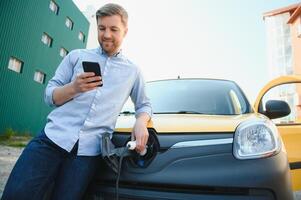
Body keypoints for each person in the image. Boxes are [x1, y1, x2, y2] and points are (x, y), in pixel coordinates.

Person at [1, 3, 152, 200]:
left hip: (87, 154)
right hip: (51, 140)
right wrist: (74, 88)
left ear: (125, 31)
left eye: (113, 29)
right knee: (16, 194)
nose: (106, 34)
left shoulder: (133, 71)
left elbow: (144, 104)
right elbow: (49, 95)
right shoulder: (76, 56)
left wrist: (141, 122)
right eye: (101, 28)